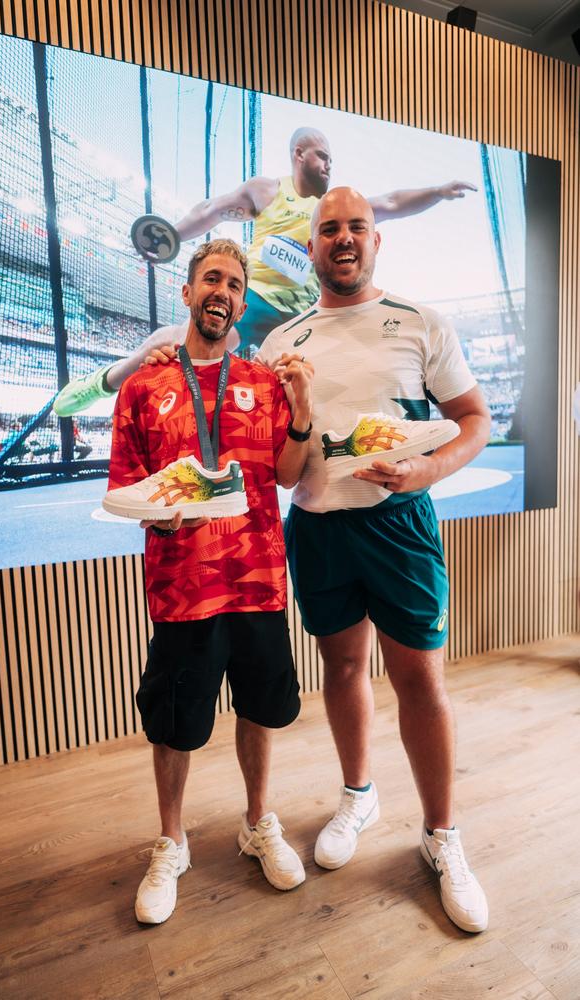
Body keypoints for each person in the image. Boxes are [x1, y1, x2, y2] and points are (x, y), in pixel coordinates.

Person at [257, 186, 492, 934]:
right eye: (331, 229)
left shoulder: (422, 323)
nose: (345, 238)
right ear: (314, 245)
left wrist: (428, 471)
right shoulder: (281, 343)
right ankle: (358, 793)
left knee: (420, 675)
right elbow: (284, 471)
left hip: (400, 524)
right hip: (319, 528)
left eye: (358, 226)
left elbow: (473, 419)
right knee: (344, 667)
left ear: (377, 240)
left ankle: (442, 837)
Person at [106, 238, 314, 925]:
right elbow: (126, 488)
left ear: (242, 301)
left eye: (234, 283)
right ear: (188, 292)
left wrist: (303, 407)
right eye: (211, 279)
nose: (223, 292)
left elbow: (287, 474)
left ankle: (257, 822)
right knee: (174, 722)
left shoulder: (260, 380)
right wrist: (158, 516)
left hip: (257, 580)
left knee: (259, 706)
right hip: (181, 587)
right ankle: (172, 839)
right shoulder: (144, 387)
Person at [53, 127, 475, 416]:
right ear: (300, 155)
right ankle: (103, 382)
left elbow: (393, 202)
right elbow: (213, 209)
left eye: (332, 158)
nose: (330, 164)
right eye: (323, 156)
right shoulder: (268, 191)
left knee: (334, 382)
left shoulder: (334, 207)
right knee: (179, 343)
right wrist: (172, 236)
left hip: (304, 317)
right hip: (256, 304)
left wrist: (437, 192)